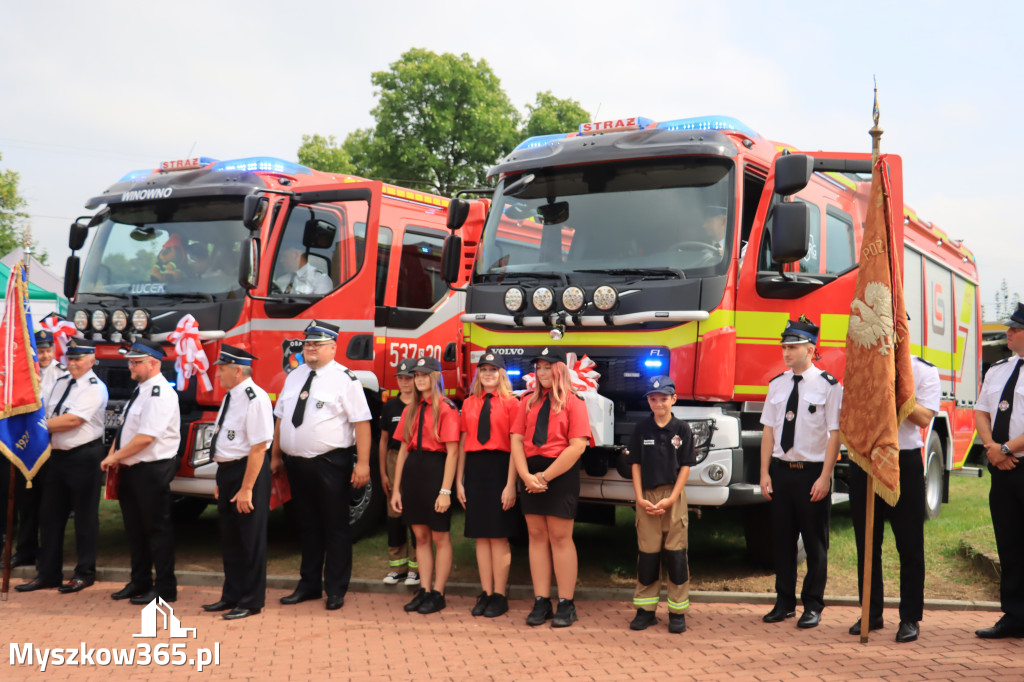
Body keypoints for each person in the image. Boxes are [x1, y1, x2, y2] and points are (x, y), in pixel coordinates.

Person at [271, 320, 372, 611]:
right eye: (307, 343)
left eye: (317, 343)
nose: (310, 348)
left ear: (333, 347)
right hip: (296, 464)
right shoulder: (293, 376)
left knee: (335, 526)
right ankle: (309, 584)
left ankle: (336, 588)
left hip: (331, 463)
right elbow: (281, 418)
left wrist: (363, 463)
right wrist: (276, 455)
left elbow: (361, 423)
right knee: (308, 526)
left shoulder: (345, 379)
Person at [849, 353, 939, 643]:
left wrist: (893, 392)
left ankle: (910, 617)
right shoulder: (860, 366)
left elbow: (925, 417)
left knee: (910, 544)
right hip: (866, 460)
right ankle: (871, 612)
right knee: (867, 542)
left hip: (904, 461)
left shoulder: (922, 371)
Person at [759, 317, 842, 629]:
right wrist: (764, 473)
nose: (786, 352)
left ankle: (813, 604)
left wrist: (825, 476)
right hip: (781, 473)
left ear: (811, 349)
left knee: (815, 542)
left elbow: (835, 435)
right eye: (784, 347)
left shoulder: (829, 386)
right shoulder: (777, 384)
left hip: (811, 475)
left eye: (792, 347)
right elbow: (768, 431)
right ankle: (784, 602)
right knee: (781, 541)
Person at [15, 340, 108, 594]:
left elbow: (73, 420)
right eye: (70, 358)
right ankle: (48, 574)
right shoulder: (61, 382)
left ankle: (84, 574)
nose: (73, 363)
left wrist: (35, 427)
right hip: (56, 456)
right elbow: (45, 410)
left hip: (84, 456)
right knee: (49, 516)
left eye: (79, 359)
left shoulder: (94, 387)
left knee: (84, 518)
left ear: (91, 360)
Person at [511, 347, 592, 628]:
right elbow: (517, 440)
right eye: (539, 368)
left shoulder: (574, 401)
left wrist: (544, 477)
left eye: (548, 367)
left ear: (559, 370)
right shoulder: (527, 402)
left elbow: (578, 446)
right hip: (531, 474)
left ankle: (566, 604)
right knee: (536, 535)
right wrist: (526, 476)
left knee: (559, 537)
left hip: (559, 473)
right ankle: (541, 601)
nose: (543, 373)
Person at [101, 339, 181, 604]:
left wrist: (115, 456)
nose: (130, 366)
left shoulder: (160, 393)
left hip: (152, 469)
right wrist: (115, 456)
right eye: (130, 361)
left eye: (136, 362)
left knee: (157, 530)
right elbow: (126, 431)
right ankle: (139, 581)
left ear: (154, 363)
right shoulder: (142, 390)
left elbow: (147, 437)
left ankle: (165, 587)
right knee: (135, 529)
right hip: (132, 468)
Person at [201, 345, 274, 620]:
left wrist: (246, 488)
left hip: (248, 472)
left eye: (221, 368)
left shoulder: (255, 398)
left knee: (250, 539)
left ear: (237, 370)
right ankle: (231, 594)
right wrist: (223, 478)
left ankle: (252, 600)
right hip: (228, 471)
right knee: (230, 537)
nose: (217, 373)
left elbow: (258, 447)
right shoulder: (232, 396)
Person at [625, 375, 696, 634]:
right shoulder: (641, 428)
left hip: (673, 497)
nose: (658, 403)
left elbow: (686, 467)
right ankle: (645, 610)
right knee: (648, 555)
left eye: (663, 399)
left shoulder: (682, 430)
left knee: (676, 555)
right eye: (653, 399)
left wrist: (672, 498)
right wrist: (639, 497)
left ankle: (677, 612)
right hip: (647, 497)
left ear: (673, 399)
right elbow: (635, 465)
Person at [390, 356, 460, 615]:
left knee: (439, 536)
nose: (418, 379)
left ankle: (438, 593)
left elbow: (452, 452)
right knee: (420, 536)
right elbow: (403, 452)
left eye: (423, 375)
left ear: (434, 377)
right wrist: (397, 489)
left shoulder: (446, 408)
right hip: (413, 474)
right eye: (415, 375)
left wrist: (445, 491)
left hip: (435, 470)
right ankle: (425, 588)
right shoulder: (411, 409)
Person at [456, 352, 520, 618]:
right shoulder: (469, 403)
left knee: (498, 535)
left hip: (500, 467)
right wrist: (459, 481)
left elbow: (516, 445)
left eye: (493, 370)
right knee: (481, 535)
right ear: (478, 375)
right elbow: (462, 443)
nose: (488, 374)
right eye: (483, 370)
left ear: (502, 374)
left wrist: (510, 485)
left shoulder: (512, 404)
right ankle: (485, 591)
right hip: (475, 469)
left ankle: (500, 594)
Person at [974, 302, 1024, 639]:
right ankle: (1014, 616)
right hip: (1001, 469)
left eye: (1015, 329)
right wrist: (992, 447)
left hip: (1019, 461)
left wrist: (1005, 448)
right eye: (1009, 327)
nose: (1008, 332)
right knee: (1009, 543)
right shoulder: (997, 369)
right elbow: (981, 412)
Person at [5, 331, 68, 568]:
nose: (44, 355)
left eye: (47, 350)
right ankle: (25, 550)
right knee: (26, 502)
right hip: (25, 446)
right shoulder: (21, 375)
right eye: (39, 351)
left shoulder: (63, 375)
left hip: (50, 446)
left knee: (50, 505)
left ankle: (49, 553)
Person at [378, 358, 419, 587]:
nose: (404, 382)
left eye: (409, 378)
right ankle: (397, 567)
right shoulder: (390, 406)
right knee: (395, 515)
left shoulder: (421, 404)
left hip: (416, 458)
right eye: (401, 378)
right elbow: (383, 441)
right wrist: (383, 473)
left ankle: (416, 567)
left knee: (415, 512)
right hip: (394, 459)